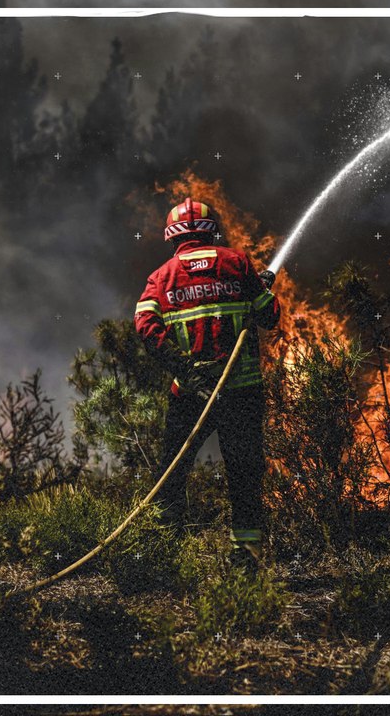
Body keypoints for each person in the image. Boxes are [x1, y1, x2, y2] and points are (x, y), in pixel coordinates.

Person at [133, 198, 280, 569]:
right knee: (244, 475)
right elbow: (270, 315)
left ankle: (163, 553)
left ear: (172, 236)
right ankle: (245, 559)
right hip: (241, 392)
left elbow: (146, 329)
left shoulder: (161, 277)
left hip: (189, 394)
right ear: (212, 229)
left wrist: (184, 367)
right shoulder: (237, 263)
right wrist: (257, 288)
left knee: (172, 472)